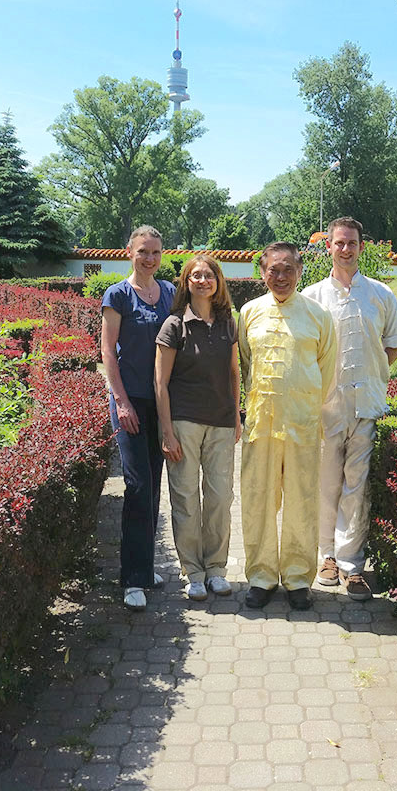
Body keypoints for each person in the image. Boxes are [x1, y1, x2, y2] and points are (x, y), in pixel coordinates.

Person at [303, 217, 397, 600]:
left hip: (366, 406)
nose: (345, 249)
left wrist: (375, 372)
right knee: (325, 483)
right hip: (326, 407)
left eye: (352, 242)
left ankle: (352, 565)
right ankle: (325, 556)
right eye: (339, 242)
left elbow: (394, 343)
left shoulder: (380, 295)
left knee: (356, 486)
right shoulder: (313, 298)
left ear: (362, 246)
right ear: (328, 246)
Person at [238, 242, 336, 611]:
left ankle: (297, 579)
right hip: (261, 425)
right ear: (262, 273)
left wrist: (305, 404)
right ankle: (261, 577)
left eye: (288, 270)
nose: (280, 277)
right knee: (258, 501)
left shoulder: (318, 316)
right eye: (273, 270)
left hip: (302, 425)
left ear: (299, 270)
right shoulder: (248, 313)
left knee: (301, 502)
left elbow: (326, 369)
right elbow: (246, 364)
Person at [154, 254, 241, 602]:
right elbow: (160, 383)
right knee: (186, 499)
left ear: (218, 282)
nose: (203, 281)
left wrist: (236, 415)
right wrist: (167, 432)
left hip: (221, 422)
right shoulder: (174, 325)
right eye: (196, 276)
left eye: (209, 275)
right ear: (186, 282)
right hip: (184, 423)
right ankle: (194, 572)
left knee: (220, 498)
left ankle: (217, 569)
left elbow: (234, 374)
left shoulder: (228, 322)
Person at [101, 225, 176, 611]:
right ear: (128, 251)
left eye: (156, 253)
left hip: (159, 403)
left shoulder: (169, 293)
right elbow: (108, 355)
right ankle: (131, 577)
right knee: (137, 485)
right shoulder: (118, 295)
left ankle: (145, 568)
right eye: (143, 251)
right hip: (129, 403)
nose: (149, 258)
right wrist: (122, 401)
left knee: (154, 482)